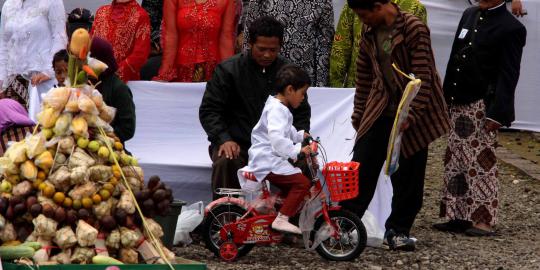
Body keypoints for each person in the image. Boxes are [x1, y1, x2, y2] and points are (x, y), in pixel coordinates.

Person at [342, 0, 450, 251]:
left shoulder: (413, 28)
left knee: (409, 174)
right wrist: (359, 113)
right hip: (381, 106)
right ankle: (347, 224)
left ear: (379, 5)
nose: (362, 21)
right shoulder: (369, 33)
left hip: (415, 109)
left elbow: (425, 74)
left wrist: (410, 115)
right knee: (362, 164)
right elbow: (364, 76)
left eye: (364, 14)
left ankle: (398, 230)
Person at [436, 0, 526, 236]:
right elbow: (455, 56)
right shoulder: (469, 14)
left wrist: (498, 111)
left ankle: (483, 220)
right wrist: (446, 96)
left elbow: (509, 74)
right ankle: (456, 215)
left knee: (481, 164)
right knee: (455, 160)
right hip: (459, 98)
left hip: (482, 104)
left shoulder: (511, 28)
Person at [199, 16, 311, 200]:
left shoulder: (290, 74)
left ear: (281, 47)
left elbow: (301, 113)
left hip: (276, 147)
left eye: (273, 50)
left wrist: (299, 141)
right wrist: (223, 138)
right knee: (226, 161)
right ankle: (226, 222)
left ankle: (292, 223)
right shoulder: (228, 70)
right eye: (262, 49)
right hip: (237, 144)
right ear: (250, 43)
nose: (267, 55)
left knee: (305, 163)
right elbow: (210, 110)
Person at [239, 64, 311, 234]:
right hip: (267, 160)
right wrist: (297, 151)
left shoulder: (278, 106)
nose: (303, 98)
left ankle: (273, 208)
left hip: (269, 158)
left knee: (293, 183)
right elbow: (277, 138)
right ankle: (282, 219)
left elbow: (286, 130)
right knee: (302, 183)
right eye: (303, 93)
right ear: (290, 90)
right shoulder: (277, 109)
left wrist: (300, 136)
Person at [329, 0, 427, 88]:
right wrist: (336, 87)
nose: (363, 20)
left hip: (397, 88)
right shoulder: (356, 5)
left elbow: (421, 64)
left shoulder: (414, 9)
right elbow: (341, 47)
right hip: (358, 86)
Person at [243, 0, 334, 87]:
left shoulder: (322, 1)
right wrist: (247, 73)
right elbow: (250, 33)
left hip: (303, 74)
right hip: (265, 71)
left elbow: (324, 43)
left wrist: (321, 85)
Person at [0, 0, 68, 109]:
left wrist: (49, 71)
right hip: (13, 84)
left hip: (43, 82)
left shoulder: (52, 2)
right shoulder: (8, 4)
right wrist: (1, 82)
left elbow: (60, 37)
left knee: (43, 123)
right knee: (14, 124)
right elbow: (3, 43)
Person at [153, 0, 235, 82]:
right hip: (181, 69)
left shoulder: (226, 1)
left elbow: (226, 38)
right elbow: (170, 36)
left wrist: (228, 74)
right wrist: (165, 73)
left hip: (213, 70)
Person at [90, 37, 136, 145]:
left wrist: (104, 137)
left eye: (90, 57)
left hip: (109, 147)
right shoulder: (85, 82)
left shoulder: (118, 88)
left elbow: (128, 128)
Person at [91, 0, 151, 83]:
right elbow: (90, 44)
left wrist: (115, 73)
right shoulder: (101, 12)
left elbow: (140, 54)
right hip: (95, 79)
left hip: (124, 82)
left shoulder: (141, 16)